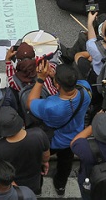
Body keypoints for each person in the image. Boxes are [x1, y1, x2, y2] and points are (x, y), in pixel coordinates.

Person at [27, 63, 92, 195]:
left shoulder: (51, 106)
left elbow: (30, 102)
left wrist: (41, 79)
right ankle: (60, 186)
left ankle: (37, 187)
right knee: (66, 163)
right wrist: (54, 77)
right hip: (74, 137)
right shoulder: (86, 89)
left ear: (57, 85)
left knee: (39, 162)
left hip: (53, 141)